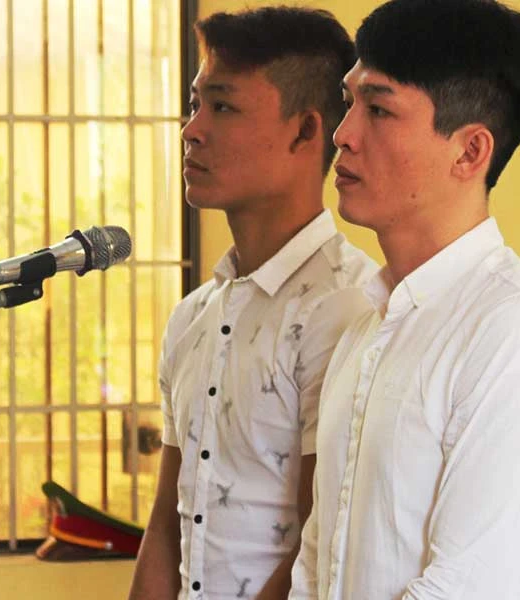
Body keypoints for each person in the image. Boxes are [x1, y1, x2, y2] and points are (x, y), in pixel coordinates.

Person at [288, 0, 520, 598]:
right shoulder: (365, 328)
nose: (343, 135)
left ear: (469, 152)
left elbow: (469, 587)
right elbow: (317, 561)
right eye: (349, 102)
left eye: (379, 109)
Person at [128, 7, 376, 600]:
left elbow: (321, 542)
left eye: (223, 107)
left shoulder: (346, 307)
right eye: (195, 104)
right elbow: (166, 526)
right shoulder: (193, 316)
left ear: (307, 131)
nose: (191, 130)